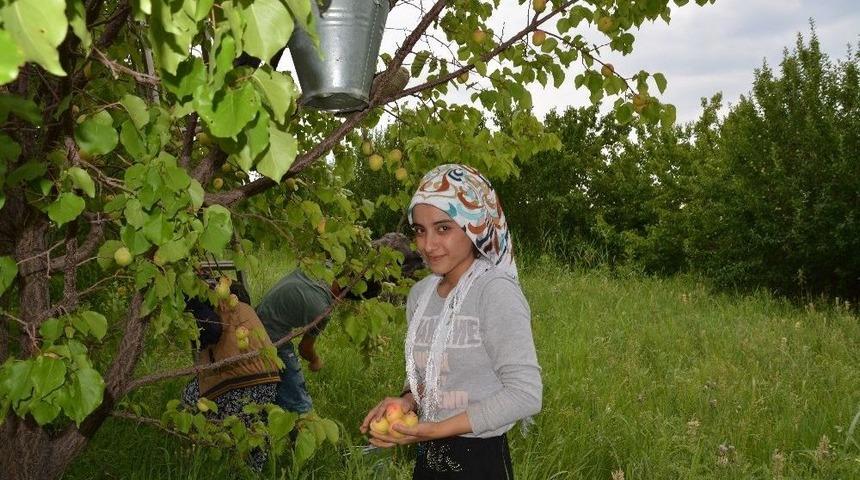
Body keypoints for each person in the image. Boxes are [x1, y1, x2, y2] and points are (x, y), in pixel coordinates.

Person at [360, 164, 542, 479]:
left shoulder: (494, 291)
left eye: (443, 228)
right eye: (419, 230)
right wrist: (406, 401)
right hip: (430, 456)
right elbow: (429, 378)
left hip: (480, 460)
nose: (427, 245)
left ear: (474, 227)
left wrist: (436, 429)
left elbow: (525, 394)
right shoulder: (421, 294)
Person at [256, 233, 424, 414]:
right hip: (270, 339)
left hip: (257, 318)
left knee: (274, 390)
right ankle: (296, 426)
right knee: (300, 405)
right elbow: (305, 349)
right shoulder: (321, 308)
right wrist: (315, 361)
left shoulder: (321, 268)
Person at [182, 284, 281, 471]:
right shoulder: (247, 310)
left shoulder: (209, 305)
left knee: (189, 401)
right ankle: (251, 472)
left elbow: (210, 332)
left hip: (237, 380)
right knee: (255, 429)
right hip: (269, 378)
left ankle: (193, 458)